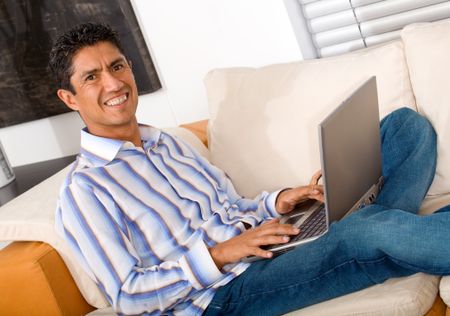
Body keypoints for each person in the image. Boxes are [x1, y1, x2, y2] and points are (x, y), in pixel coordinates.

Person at [50, 23, 450, 316]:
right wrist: (220, 254)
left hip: (265, 247)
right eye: (92, 77)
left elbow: (231, 207)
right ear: (69, 98)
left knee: (404, 128)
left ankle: (387, 232)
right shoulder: (84, 190)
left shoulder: (165, 142)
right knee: (367, 231)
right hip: (224, 294)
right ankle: (385, 232)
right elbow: (128, 295)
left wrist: (279, 201)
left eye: (117, 66)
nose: (113, 83)